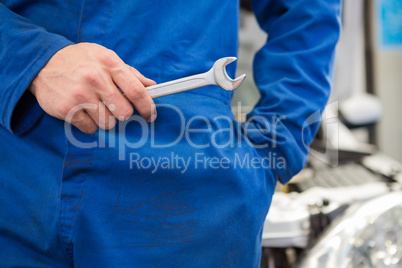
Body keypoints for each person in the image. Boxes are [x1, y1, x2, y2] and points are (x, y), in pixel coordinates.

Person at [0, 0, 341, 267]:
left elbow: (307, 12)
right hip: (16, 183)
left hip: (191, 196)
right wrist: (34, 59)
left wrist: (274, 149)